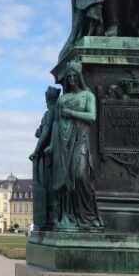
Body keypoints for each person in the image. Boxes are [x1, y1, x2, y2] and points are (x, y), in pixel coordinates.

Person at [51, 60, 102, 229]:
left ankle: (87, 215)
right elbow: (55, 123)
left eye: (74, 75)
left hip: (80, 139)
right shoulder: (62, 99)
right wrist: (51, 145)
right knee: (64, 181)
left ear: (79, 77)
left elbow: (92, 116)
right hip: (62, 143)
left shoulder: (88, 96)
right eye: (69, 76)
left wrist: (72, 113)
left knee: (80, 175)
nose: (72, 78)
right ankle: (68, 216)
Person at [30, 87, 61, 230]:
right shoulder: (55, 112)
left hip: (48, 155)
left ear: (49, 99)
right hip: (53, 152)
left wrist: (36, 151)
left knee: (48, 187)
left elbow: (46, 132)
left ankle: (51, 218)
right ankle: (51, 218)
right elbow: (43, 132)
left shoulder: (50, 113)